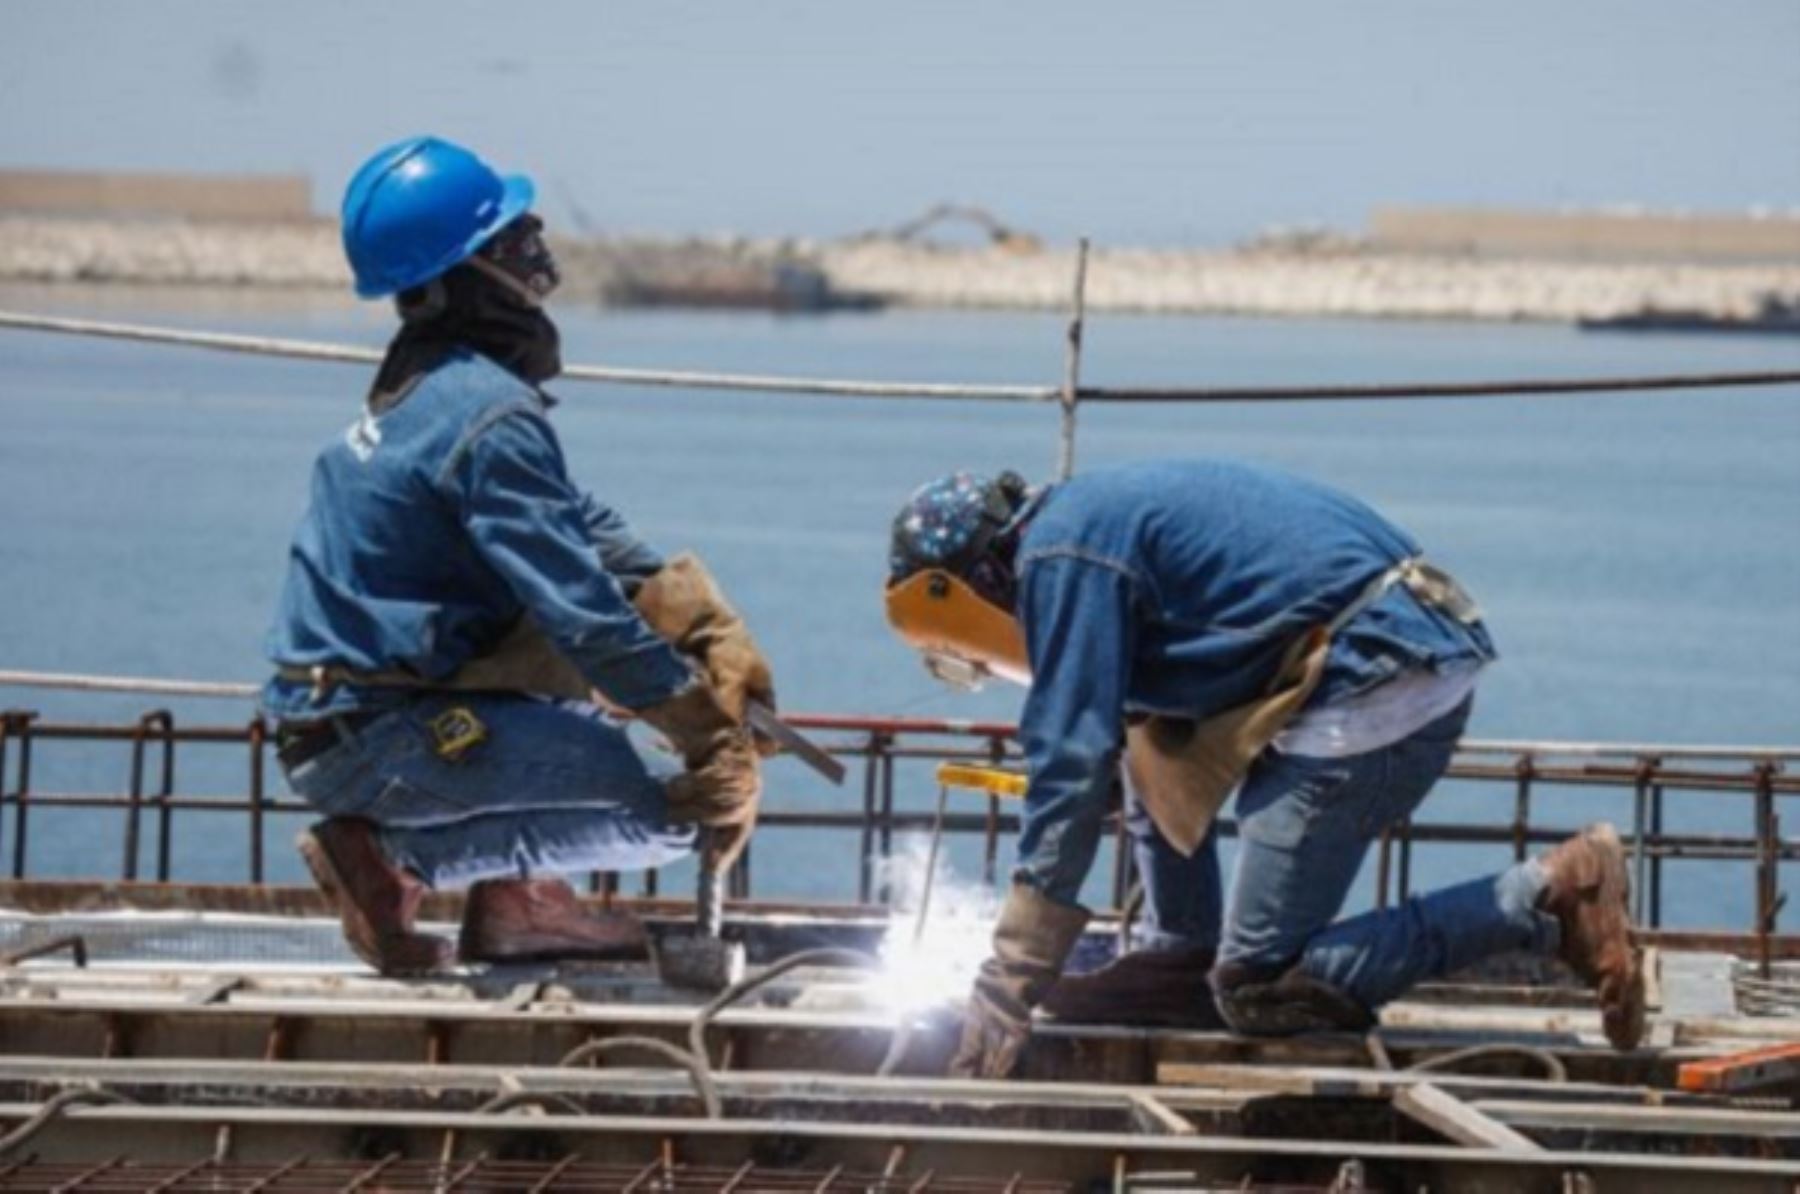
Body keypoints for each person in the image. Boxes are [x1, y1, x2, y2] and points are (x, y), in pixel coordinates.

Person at [883, 460, 1644, 1078]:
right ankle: (1181, 952)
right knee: (1147, 736)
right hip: (1393, 649)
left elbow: (1068, 763)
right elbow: (1125, 728)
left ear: (966, 584)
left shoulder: (1061, 560)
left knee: (1259, 990)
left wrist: (1012, 978)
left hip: (1376, 682)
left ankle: (1549, 897)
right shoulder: (1080, 523)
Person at [262, 136, 773, 975]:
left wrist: (695, 618)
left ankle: (515, 900)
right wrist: (704, 733)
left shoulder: (433, 385)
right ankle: (392, 859)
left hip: (340, 717)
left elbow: (569, 519)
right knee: (677, 810)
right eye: (515, 241)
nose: (539, 258)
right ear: (460, 275)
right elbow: (581, 611)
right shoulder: (488, 415)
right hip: (373, 736)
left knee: (572, 706)